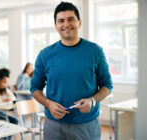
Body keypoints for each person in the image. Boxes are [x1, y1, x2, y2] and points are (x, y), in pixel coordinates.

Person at [31, 2, 113, 140]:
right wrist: (48, 104)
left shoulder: (95, 51)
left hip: (87, 125)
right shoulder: (44, 55)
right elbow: (34, 88)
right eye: (61, 20)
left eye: (71, 19)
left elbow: (107, 86)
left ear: (79, 22)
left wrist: (93, 101)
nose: (66, 24)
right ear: (56, 26)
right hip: (54, 125)